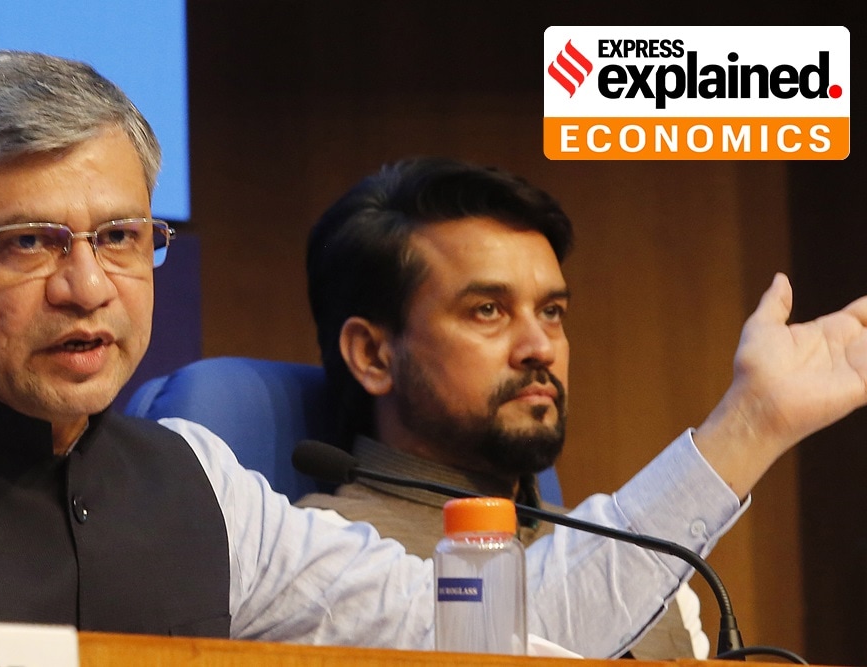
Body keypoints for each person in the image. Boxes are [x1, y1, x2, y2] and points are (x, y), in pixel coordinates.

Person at [0, 50, 867, 658]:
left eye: (124, 236)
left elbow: (494, 634)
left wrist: (745, 426)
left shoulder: (199, 478)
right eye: (31, 241)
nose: (89, 284)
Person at [296, 158, 710, 658]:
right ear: (373, 356)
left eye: (551, 312)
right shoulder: (316, 560)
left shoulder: (648, 558)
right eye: (487, 310)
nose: (541, 347)